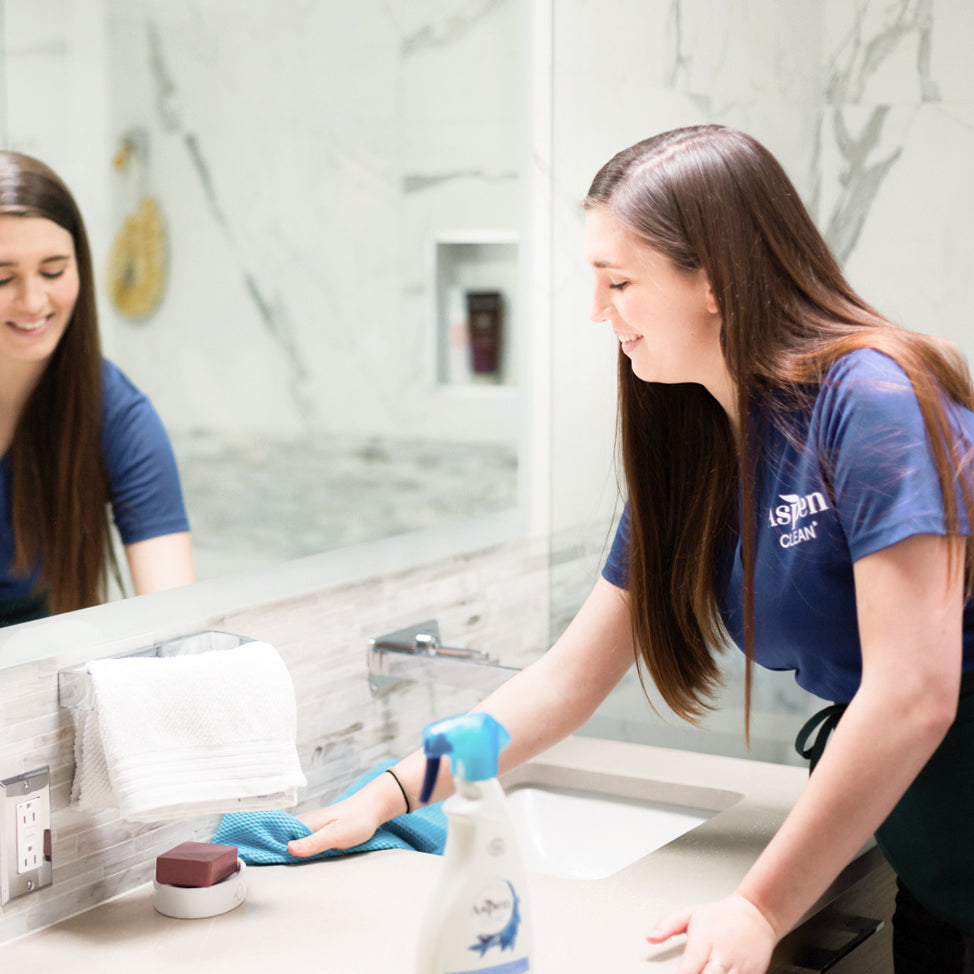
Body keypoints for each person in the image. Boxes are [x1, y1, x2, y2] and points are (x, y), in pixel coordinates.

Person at [287, 126, 974, 972]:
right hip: (930, 843)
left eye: (619, 282)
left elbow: (915, 693)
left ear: (714, 281)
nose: (597, 311)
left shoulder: (871, 399)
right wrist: (393, 791)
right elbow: (568, 679)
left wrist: (760, 908)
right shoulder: (702, 443)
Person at [0, 150, 194, 627]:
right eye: (2, 277)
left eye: (53, 271)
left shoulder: (118, 415)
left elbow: (173, 619)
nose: (32, 301)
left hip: (34, 658)